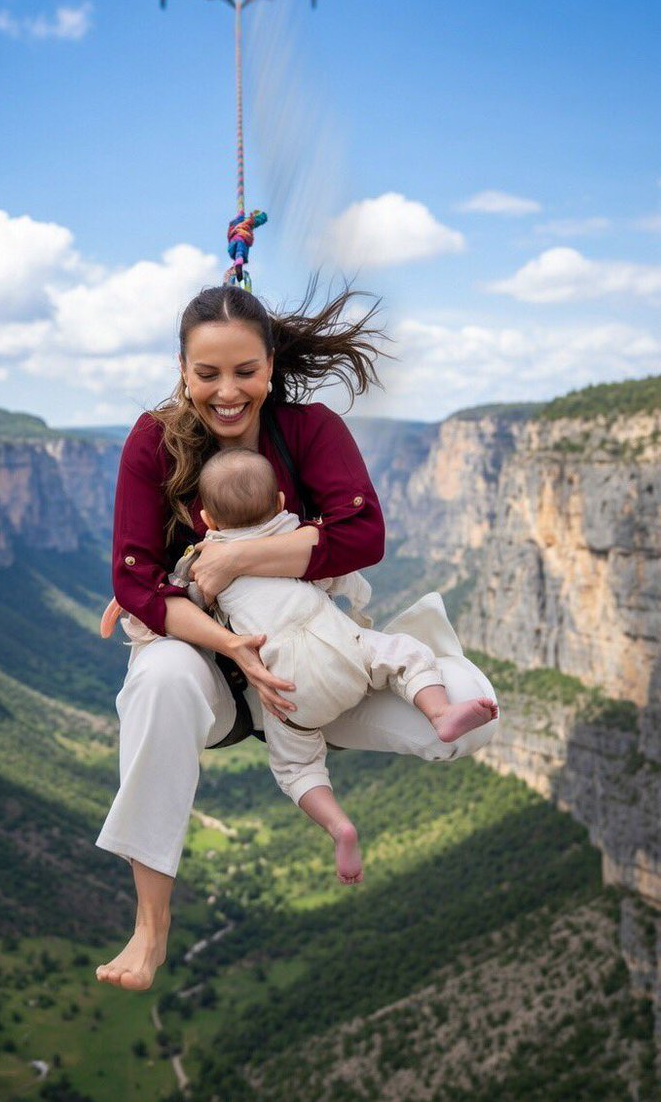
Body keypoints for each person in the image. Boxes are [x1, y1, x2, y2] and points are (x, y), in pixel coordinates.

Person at [95, 283, 499, 991]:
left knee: (468, 718)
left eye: (244, 371)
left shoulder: (308, 429)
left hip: (314, 665)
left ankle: (343, 714)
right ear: (183, 370)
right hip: (213, 669)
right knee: (157, 680)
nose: (227, 391)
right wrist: (230, 646)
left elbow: (364, 533)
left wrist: (237, 556)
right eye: (208, 373)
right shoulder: (154, 441)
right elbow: (135, 579)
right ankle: (151, 921)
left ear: (271, 364)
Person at [194, 447, 498, 886]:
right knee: (406, 653)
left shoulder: (205, 560)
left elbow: (186, 606)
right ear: (280, 503)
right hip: (346, 653)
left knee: (297, 768)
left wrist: (139, 611)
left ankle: (338, 825)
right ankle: (440, 712)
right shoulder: (293, 534)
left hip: (286, 690)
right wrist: (358, 605)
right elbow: (339, 572)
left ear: (208, 521)